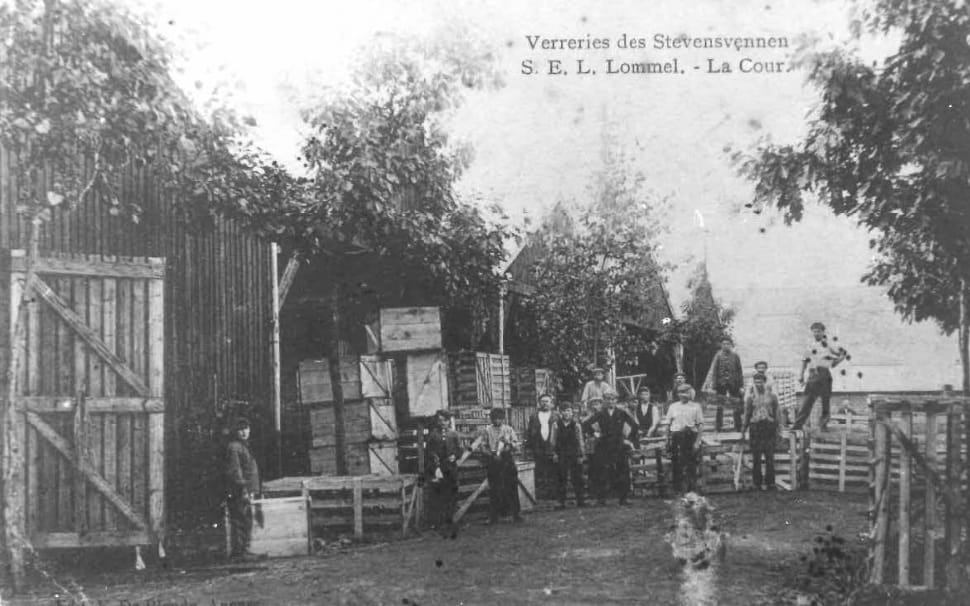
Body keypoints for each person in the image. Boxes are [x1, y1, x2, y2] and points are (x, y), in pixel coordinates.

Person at [581, 390, 638, 505]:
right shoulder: (600, 414)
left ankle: (623, 498)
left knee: (623, 471)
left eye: (613, 399)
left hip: (619, 445)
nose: (610, 402)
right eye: (608, 399)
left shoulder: (622, 413)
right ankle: (601, 498)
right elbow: (586, 425)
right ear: (604, 401)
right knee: (602, 471)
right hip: (604, 445)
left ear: (616, 401)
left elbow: (634, 426)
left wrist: (627, 439)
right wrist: (595, 434)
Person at [792, 322, 847, 430]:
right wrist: (801, 375)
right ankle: (797, 426)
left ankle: (823, 425)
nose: (816, 333)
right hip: (813, 374)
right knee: (807, 401)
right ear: (812, 332)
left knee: (825, 402)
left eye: (819, 331)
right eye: (815, 331)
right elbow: (804, 361)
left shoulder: (828, 345)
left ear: (823, 332)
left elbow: (840, 355)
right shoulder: (809, 345)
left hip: (825, 374)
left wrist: (838, 360)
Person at [475, 408, 523, 524]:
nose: (497, 421)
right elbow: (482, 447)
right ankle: (493, 516)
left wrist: (508, 443)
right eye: (495, 419)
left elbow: (516, 446)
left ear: (503, 419)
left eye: (499, 419)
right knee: (494, 488)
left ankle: (516, 514)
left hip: (507, 460)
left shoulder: (508, 429)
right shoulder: (487, 430)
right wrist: (491, 455)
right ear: (491, 419)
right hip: (493, 460)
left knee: (512, 486)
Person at [225, 417, 261, 561]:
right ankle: (240, 553)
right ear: (235, 432)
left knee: (246, 519)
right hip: (240, 490)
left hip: (247, 490)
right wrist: (243, 489)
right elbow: (236, 471)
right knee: (240, 520)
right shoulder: (234, 447)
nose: (244, 432)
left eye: (246, 428)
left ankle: (244, 550)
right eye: (240, 430)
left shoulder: (244, 446)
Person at [742, 373, 781, 491]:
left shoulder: (772, 397)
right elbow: (747, 414)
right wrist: (743, 429)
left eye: (760, 382)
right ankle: (757, 483)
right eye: (756, 382)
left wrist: (778, 428)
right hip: (756, 428)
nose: (758, 384)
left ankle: (770, 483)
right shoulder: (750, 398)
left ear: (765, 382)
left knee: (769, 456)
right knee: (756, 456)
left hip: (768, 427)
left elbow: (777, 413)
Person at [426, 409, 461, 532]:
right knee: (439, 495)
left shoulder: (454, 434)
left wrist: (455, 456)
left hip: (451, 468)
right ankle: (438, 523)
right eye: (440, 420)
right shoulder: (433, 435)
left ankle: (450, 520)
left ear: (448, 421)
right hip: (438, 468)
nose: (442, 423)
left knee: (452, 494)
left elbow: (459, 450)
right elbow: (429, 451)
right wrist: (434, 460)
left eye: (444, 420)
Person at [665, 384, 704, 494]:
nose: (683, 395)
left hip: (690, 436)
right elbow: (668, 425)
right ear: (678, 394)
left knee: (691, 464)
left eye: (686, 392)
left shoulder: (696, 406)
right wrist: (667, 440)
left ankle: (691, 489)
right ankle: (678, 489)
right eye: (681, 392)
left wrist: (697, 442)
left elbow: (700, 425)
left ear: (690, 393)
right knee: (676, 463)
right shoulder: (673, 406)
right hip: (676, 437)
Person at [702, 337, 744, 432]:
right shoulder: (718, 355)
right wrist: (714, 386)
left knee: (735, 404)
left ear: (731, 345)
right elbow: (714, 371)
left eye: (728, 344)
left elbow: (739, 371)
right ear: (721, 345)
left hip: (734, 384)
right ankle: (718, 426)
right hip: (721, 384)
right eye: (724, 344)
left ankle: (738, 426)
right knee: (720, 406)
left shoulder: (735, 356)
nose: (726, 346)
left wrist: (741, 386)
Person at [525, 393, 560, 500]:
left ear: (551, 403)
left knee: (553, 470)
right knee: (540, 470)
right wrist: (529, 446)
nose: (545, 403)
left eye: (547, 401)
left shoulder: (556, 415)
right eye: (543, 401)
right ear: (539, 403)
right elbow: (530, 431)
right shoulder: (534, 416)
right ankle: (541, 495)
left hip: (552, 446)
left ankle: (553, 494)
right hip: (538, 446)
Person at [551, 403, 586, 509]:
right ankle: (561, 502)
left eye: (568, 411)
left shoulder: (576, 425)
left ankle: (580, 500)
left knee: (577, 477)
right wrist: (554, 453)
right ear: (560, 413)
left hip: (574, 453)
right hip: (561, 453)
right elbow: (553, 440)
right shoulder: (556, 425)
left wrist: (581, 455)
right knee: (561, 478)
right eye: (564, 411)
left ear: (572, 412)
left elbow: (580, 440)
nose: (566, 413)